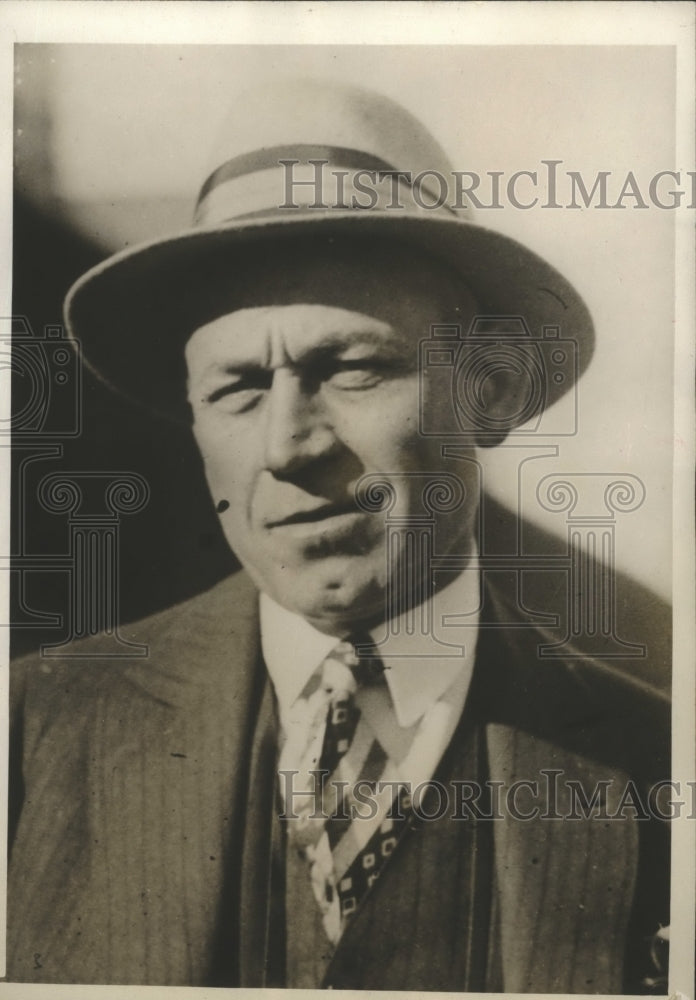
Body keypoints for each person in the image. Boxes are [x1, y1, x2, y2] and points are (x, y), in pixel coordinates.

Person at [7, 79, 670, 992]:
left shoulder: (656, 762)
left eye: (353, 369)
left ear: (493, 389)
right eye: (237, 389)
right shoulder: (30, 737)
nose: (286, 447)